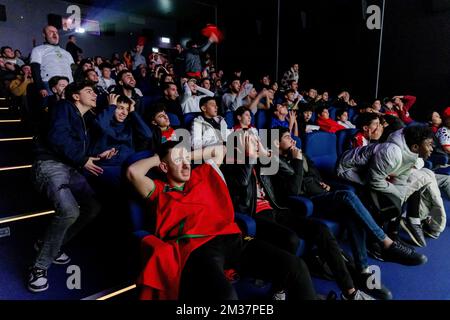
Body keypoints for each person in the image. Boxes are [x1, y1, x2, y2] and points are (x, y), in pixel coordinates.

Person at [126, 141, 317, 300]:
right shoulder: (159, 189)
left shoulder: (202, 175)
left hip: (231, 238)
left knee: (296, 267)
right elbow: (133, 172)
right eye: (178, 161)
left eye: (187, 160)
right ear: (164, 167)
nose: (186, 165)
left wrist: (183, 154)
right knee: (226, 297)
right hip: (197, 248)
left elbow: (220, 150)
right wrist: (161, 157)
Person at [270, 127, 428, 297]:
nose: (293, 140)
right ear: (276, 142)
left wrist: (321, 182)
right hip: (307, 204)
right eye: (287, 137)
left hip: (322, 194)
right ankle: (385, 243)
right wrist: (297, 160)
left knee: (352, 216)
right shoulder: (274, 162)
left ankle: (363, 270)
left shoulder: (300, 154)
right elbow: (293, 190)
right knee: (347, 195)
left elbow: (314, 172)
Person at [28, 81, 113, 292]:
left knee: (93, 206)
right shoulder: (63, 107)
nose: (94, 94)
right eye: (89, 91)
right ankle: (38, 266)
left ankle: (51, 245)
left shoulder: (83, 119)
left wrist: (95, 155)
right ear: (75, 96)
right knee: (69, 211)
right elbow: (57, 137)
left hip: (69, 167)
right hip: (49, 165)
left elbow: (75, 147)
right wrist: (83, 159)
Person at [30, 26, 74, 99]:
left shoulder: (66, 53)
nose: (54, 34)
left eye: (56, 32)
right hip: (49, 85)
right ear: (44, 35)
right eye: (51, 32)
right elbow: (35, 69)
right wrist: (40, 87)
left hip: (69, 85)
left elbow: (74, 70)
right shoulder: (38, 50)